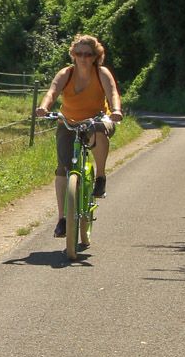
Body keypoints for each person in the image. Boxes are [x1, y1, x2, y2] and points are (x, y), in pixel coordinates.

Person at [35, 34, 123, 238]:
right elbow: (52, 91)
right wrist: (44, 107)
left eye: (88, 54)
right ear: (73, 55)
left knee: (100, 130)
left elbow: (112, 93)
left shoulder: (101, 73)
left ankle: (100, 177)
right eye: (79, 53)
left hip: (95, 120)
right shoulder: (66, 73)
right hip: (68, 122)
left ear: (95, 56)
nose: (83, 58)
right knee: (62, 169)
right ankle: (62, 219)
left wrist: (116, 110)